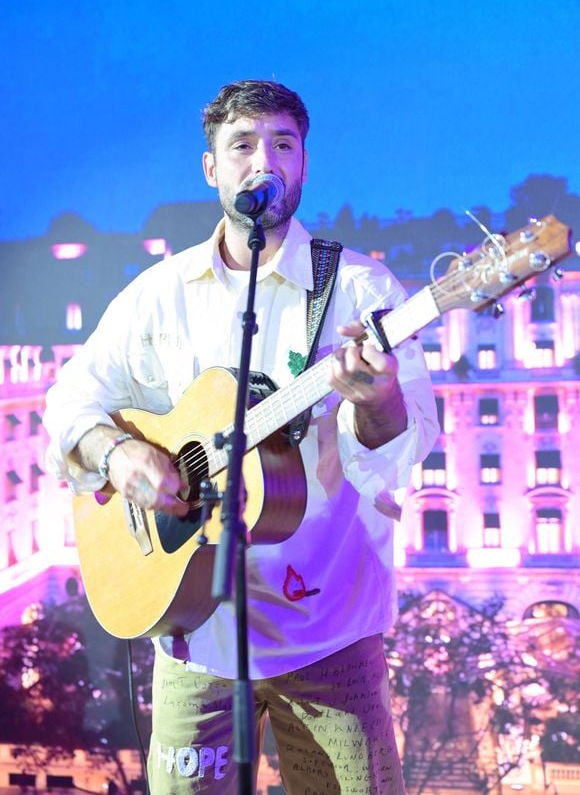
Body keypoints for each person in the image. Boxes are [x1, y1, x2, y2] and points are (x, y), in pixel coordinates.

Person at [44, 79, 439, 794]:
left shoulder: (360, 291)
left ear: (304, 163)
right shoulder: (157, 293)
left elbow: (407, 449)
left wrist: (377, 401)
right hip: (195, 633)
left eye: (284, 144)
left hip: (330, 632)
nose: (266, 160)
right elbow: (71, 399)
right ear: (212, 168)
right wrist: (117, 451)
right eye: (244, 144)